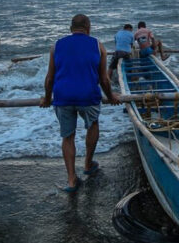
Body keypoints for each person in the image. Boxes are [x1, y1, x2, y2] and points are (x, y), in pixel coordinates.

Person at [40, 14, 120, 192]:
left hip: (63, 97)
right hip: (88, 96)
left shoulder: (56, 46)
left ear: (71, 28)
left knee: (67, 137)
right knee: (92, 124)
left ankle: (71, 180)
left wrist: (46, 98)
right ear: (88, 28)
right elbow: (104, 79)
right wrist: (111, 96)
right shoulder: (98, 46)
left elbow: (49, 78)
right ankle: (87, 164)